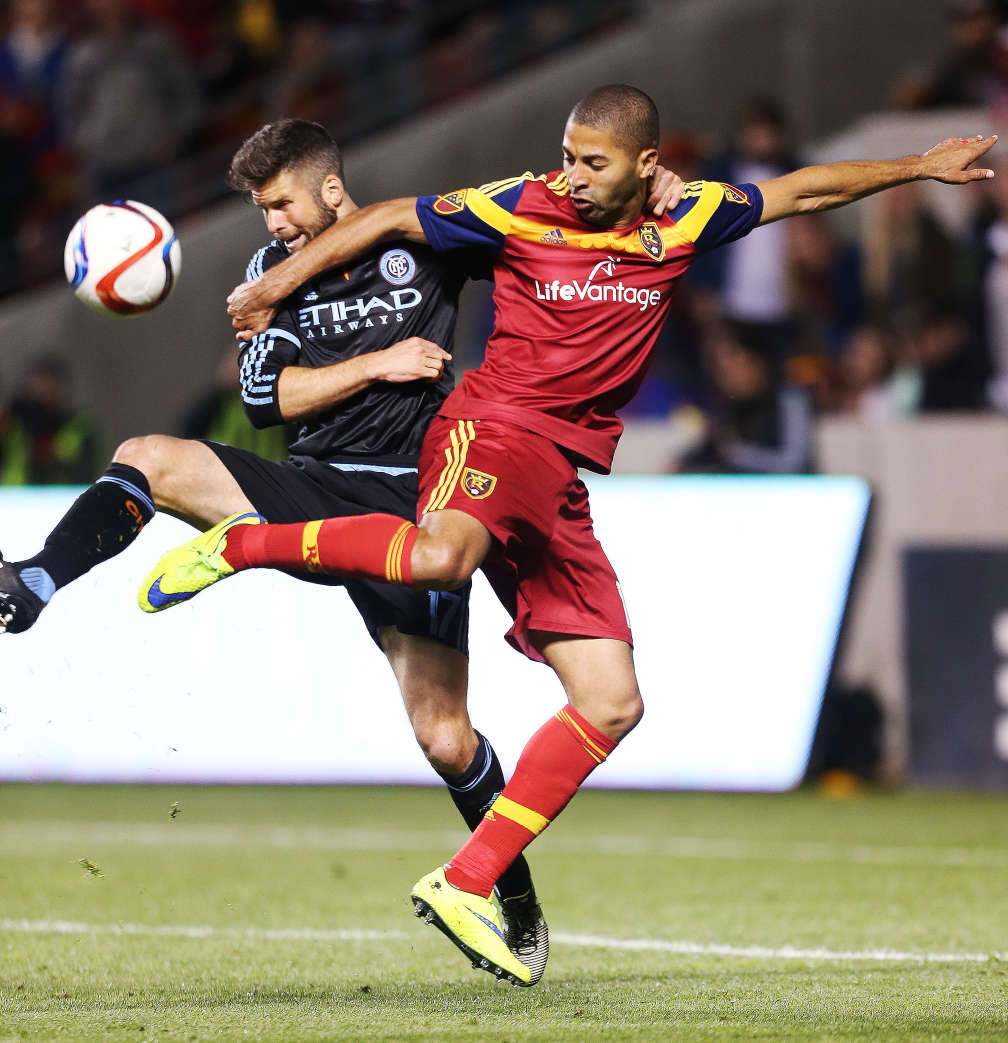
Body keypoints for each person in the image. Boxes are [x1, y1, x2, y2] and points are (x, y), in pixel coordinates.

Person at [148, 85, 997, 986]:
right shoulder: (522, 204)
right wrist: (273, 285)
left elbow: (805, 190)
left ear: (645, 163)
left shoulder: (685, 216)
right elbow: (391, 216)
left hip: (559, 474)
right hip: (492, 428)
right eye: (568, 156)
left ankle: (467, 880)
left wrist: (917, 166)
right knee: (439, 555)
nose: (574, 176)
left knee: (611, 700)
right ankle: (243, 545)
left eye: (594, 161)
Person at [0, 115, 684, 986]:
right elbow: (264, 398)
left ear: (330, 187)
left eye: (282, 203)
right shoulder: (273, 274)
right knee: (148, 457)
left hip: (424, 502)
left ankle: (511, 896)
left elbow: (552, 225)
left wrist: (652, 196)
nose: (273, 224)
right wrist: (375, 364)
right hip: (314, 485)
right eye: (262, 209)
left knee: (444, 737)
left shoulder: (426, 244)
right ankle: (35, 578)